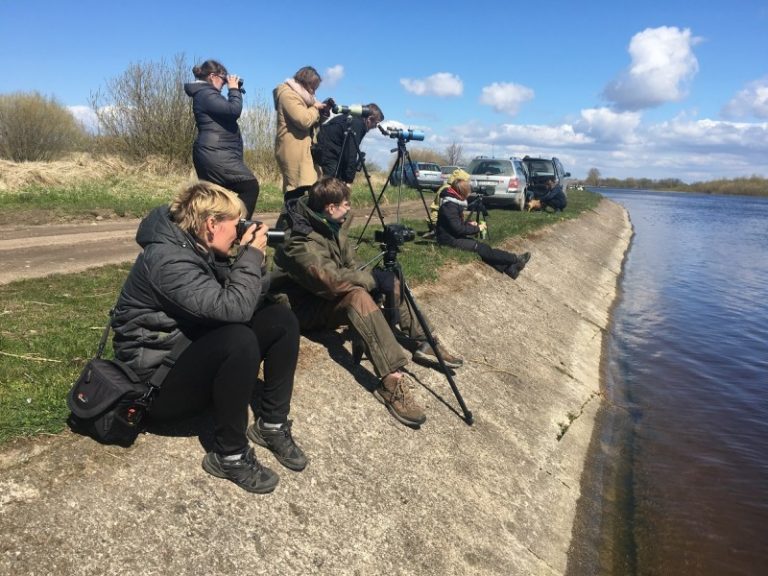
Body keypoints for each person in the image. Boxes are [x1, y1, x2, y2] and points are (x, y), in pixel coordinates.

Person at [110, 181, 306, 494]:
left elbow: (252, 295)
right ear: (211, 224)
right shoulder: (168, 260)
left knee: (280, 318)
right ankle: (229, 455)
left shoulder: (196, 245)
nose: (240, 231)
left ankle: (271, 425)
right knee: (238, 339)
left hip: (184, 354)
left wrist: (251, 258)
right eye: (237, 224)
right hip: (155, 389)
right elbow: (235, 308)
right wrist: (251, 255)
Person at [271, 177, 463, 428]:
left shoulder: (329, 221)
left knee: (390, 280)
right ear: (330, 207)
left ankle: (424, 341)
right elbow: (329, 280)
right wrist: (369, 280)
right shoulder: (298, 237)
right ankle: (392, 382)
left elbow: (349, 263)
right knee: (359, 296)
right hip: (299, 308)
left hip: (324, 296)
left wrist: (376, 281)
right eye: (346, 204)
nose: (350, 208)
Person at [184, 60, 260, 217]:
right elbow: (233, 110)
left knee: (216, 199)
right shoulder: (206, 93)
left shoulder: (206, 94)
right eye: (223, 78)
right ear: (212, 76)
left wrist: (234, 90)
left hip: (213, 153)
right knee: (250, 187)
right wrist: (234, 90)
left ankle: (208, 231)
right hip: (215, 153)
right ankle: (237, 228)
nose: (225, 83)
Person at [436, 179, 531, 279]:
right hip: (448, 240)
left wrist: (469, 224)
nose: (469, 194)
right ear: (462, 192)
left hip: (452, 237)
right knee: (482, 248)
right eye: (468, 191)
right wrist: (477, 228)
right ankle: (515, 259)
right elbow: (458, 229)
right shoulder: (449, 206)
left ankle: (511, 270)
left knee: (483, 250)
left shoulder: (451, 202)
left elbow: (454, 224)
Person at [273, 66, 329, 200]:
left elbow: (310, 121)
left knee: (307, 189)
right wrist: (315, 108)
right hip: (293, 149)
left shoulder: (303, 98)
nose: (314, 92)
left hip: (303, 149)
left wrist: (323, 114)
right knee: (296, 190)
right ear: (306, 83)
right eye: (313, 87)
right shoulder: (287, 95)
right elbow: (303, 120)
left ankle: (294, 219)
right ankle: (289, 219)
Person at [315, 103, 384, 184]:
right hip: (329, 156)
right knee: (331, 188)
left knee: (328, 187)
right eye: (376, 123)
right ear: (369, 119)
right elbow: (351, 153)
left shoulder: (351, 119)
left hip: (323, 152)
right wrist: (348, 180)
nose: (375, 126)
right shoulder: (358, 124)